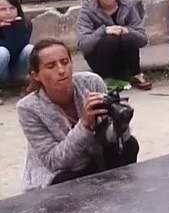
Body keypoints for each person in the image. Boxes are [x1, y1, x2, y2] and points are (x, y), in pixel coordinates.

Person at [17, 41, 135, 191]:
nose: (61, 70)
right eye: (51, 66)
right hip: (59, 172)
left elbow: (106, 136)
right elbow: (54, 161)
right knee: (64, 180)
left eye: (65, 62)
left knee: (130, 145)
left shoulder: (91, 82)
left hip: (95, 156)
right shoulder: (28, 108)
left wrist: (121, 125)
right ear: (36, 75)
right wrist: (85, 124)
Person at [74, 0, 150, 89]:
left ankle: (135, 74)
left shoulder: (128, 5)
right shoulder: (87, 10)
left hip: (125, 57)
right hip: (100, 58)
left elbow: (143, 39)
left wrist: (127, 30)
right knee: (110, 39)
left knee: (127, 37)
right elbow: (83, 45)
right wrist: (103, 31)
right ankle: (106, 78)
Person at [0, 0, 33, 88]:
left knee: (30, 49)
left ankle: (18, 82)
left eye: (12, 8)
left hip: (15, 68)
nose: (8, 12)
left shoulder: (24, 24)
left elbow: (16, 48)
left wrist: (11, 28)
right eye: (3, 9)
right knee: (2, 52)